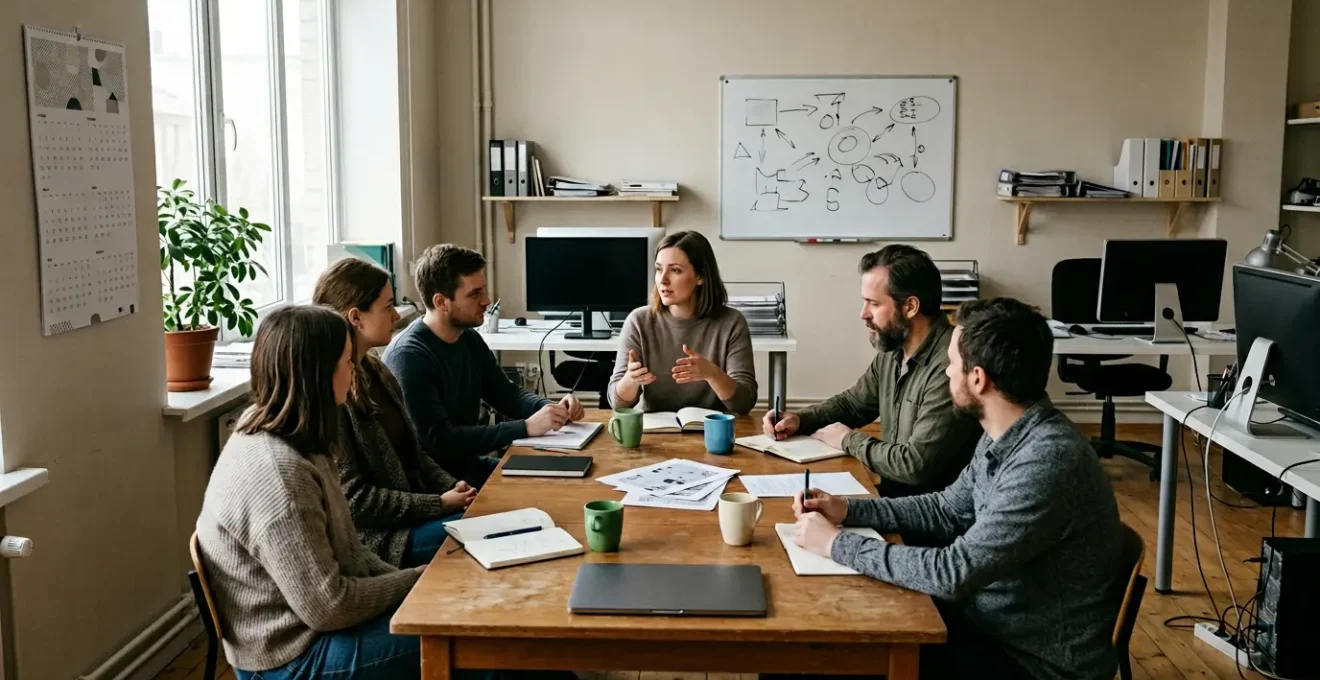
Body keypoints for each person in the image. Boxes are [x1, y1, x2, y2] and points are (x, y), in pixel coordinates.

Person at [791, 298, 1125, 680]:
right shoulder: (1006, 432)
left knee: (805, 659)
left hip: (1029, 661)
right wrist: (848, 510)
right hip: (985, 623)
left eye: (951, 364)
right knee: (809, 645)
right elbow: (947, 509)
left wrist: (836, 544)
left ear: (978, 379)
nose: (947, 372)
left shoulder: (1047, 461)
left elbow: (953, 572)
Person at [195, 304, 425, 679]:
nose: (354, 369)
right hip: (290, 657)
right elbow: (329, 607)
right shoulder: (279, 473)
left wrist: (415, 583)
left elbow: (351, 551)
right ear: (319, 374)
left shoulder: (298, 434)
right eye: (348, 361)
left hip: (312, 630)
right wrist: (414, 581)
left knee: (456, 622)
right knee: (477, 646)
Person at [763, 244, 980, 495]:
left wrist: (848, 440)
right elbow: (854, 404)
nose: (863, 314)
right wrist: (800, 419)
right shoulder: (894, 349)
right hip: (893, 500)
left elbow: (915, 465)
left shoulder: (952, 367)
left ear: (910, 307)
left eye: (873, 304)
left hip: (928, 519)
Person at [314, 258, 478, 568]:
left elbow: (416, 455)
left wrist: (453, 486)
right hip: (383, 540)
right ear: (356, 318)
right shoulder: (332, 393)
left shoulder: (378, 370)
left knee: (491, 513)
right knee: (491, 531)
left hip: (418, 514)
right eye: (388, 306)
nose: (396, 315)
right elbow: (356, 500)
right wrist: (439, 503)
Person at [383, 244, 583, 488]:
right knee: (545, 487)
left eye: (484, 290)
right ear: (441, 302)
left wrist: (551, 409)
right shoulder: (409, 356)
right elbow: (441, 441)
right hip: (437, 483)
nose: (486, 300)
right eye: (474, 293)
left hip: (465, 466)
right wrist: (526, 427)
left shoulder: (467, 337)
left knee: (569, 475)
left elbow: (506, 394)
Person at [607, 230, 757, 414]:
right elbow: (617, 404)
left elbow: (744, 403)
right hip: (656, 433)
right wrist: (631, 380)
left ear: (700, 276)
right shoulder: (639, 321)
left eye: (675, 270)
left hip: (712, 431)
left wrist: (712, 373)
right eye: (659, 269)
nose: (663, 280)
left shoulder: (732, 323)